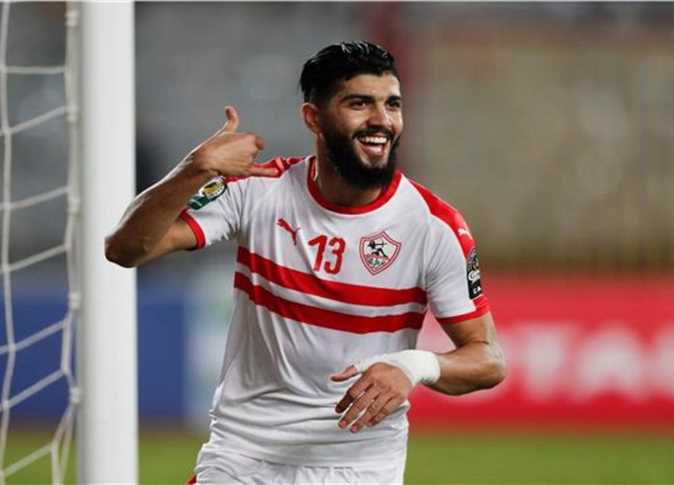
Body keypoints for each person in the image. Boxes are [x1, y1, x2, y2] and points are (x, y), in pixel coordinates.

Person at [106, 41, 506, 484]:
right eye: (359, 103)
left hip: (359, 468)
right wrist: (194, 169)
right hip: (242, 459)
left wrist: (413, 366)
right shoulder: (259, 190)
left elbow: (488, 359)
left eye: (392, 104)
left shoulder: (433, 227)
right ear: (313, 118)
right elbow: (125, 249)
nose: (381, 120)